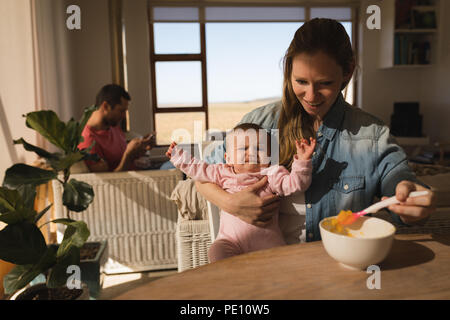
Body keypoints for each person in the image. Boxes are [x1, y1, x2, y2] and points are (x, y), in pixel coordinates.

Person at [195, 18, 436, 245]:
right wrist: (231, 203)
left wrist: (413, 204)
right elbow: (202, 177)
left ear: (347, 72)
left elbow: (403, 187)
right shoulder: (258, 123)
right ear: (288, 70)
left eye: (325, 84)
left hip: (334, 268)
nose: (311, 97)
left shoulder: (372, 136)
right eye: (301, 82)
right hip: (263, 268)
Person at [166, 123, 316, 261]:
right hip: (231, 240)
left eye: (260, 149)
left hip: (268, 241)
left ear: (270, 157)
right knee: (216, 251)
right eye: (244, 148)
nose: (251, 153)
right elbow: (199, 170)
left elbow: (295, 185)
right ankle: (231, 283)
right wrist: (179, 156)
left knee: (281, 261)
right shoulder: (222, 172)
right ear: (228, 158)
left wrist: (302, 162)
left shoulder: (272, 174)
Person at [78, 84, 155, 172]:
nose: (123, 116)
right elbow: (109, 183)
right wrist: (128, 155)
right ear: (105, 106)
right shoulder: (87, 140)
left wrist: (142, 147)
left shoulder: (112, 126)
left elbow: (121, 158)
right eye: (121, 111)